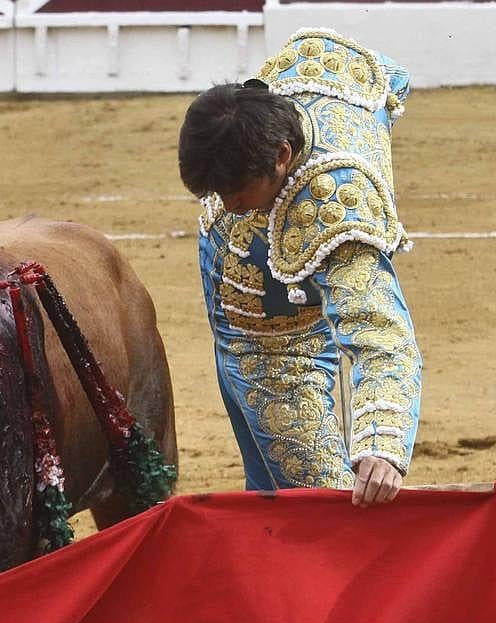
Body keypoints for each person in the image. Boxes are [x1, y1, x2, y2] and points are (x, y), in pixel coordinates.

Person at [178, 27, 422, 507]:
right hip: (253, 312)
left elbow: (383, 336)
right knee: (294, 503)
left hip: (277, 336)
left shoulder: (334, 210)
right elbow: (388, 75)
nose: (226, 206)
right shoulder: (287, 88)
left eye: (237, 194)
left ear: (282, 156)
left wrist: (382, 442)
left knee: (321, 512)